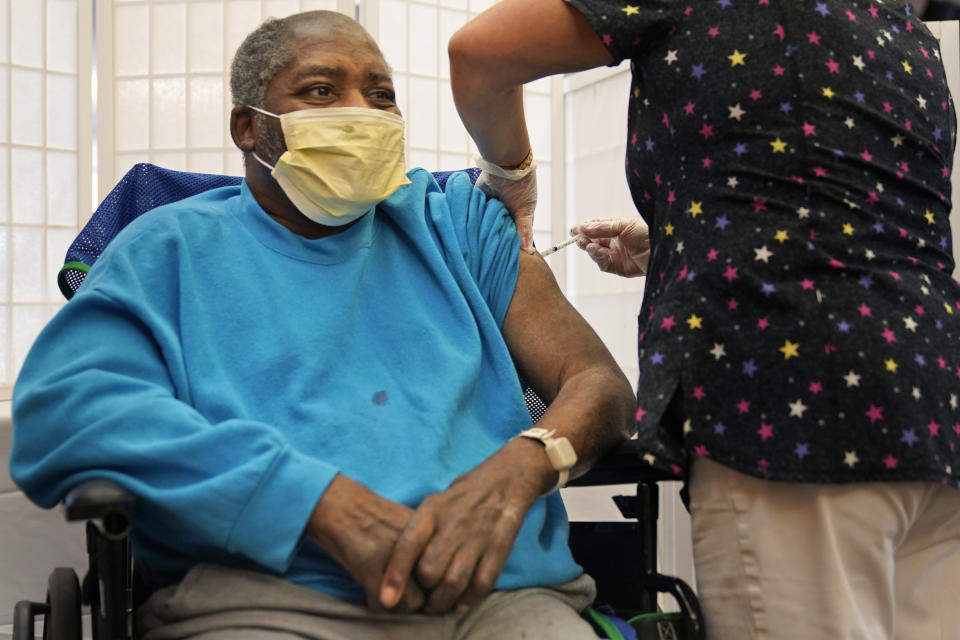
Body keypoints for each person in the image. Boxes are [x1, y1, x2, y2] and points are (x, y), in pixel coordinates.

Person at [9, 10, 637, 640]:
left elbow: (597, 382)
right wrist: (306, 499)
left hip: (500, 598)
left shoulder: (458, 225)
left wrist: (525, 464)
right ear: (249, 127)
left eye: (381, 95)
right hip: (264, 604)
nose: (361, 111)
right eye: (321, 91)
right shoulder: (170, 249)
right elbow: (68, 406)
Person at [449, 1, 960, 638]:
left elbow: (476, 53)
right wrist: (673, 246)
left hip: (800, 416)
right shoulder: (904, 32)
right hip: (934, 405)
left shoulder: (460, 225)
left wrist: (511, 174)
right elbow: (835, 211)